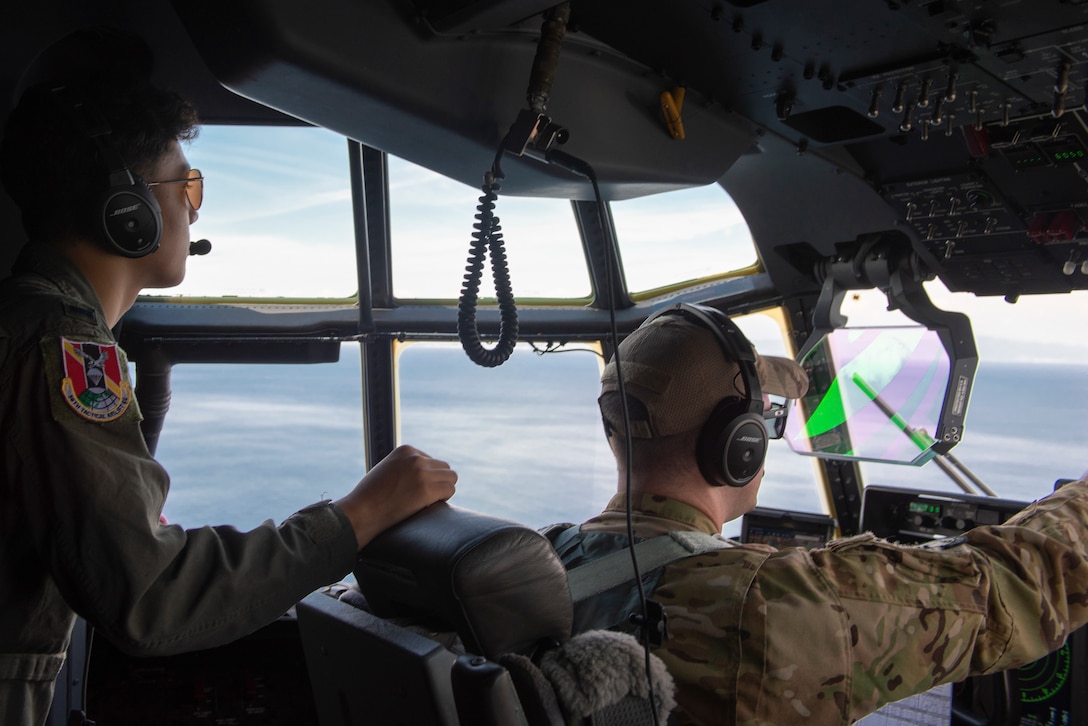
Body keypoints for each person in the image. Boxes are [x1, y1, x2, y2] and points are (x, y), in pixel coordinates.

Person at [0, 34, 457, 726]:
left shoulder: (39, 326)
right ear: (128, 212)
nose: (193, 207)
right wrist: (356, 517)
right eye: (187, 184)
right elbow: (149, 596)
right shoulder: (55, 349)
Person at [548, 303, 1088, 725]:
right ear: (741, 445)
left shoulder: (537, 562)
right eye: (766, 421)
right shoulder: (767, 605)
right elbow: (1017, 585)